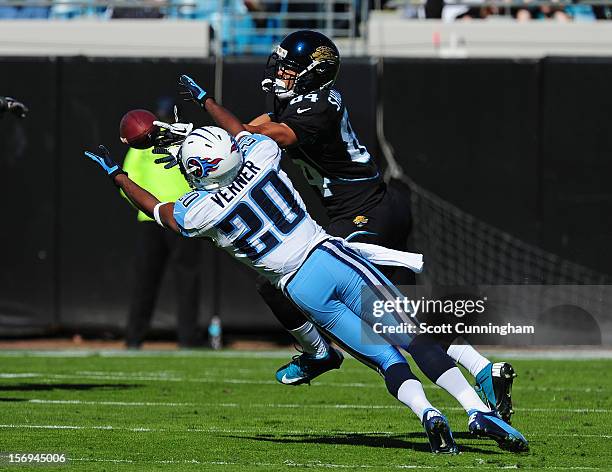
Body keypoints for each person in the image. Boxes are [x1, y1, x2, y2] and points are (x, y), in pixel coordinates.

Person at [84, 77, 528, 453]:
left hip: (298, 289)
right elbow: (241, 133)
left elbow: (158, 207)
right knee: (412, 334)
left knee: (383, 357)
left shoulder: (198, 210)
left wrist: (117, 176)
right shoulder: (260, 157)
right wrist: (207, 102)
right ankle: (475, 410)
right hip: (326, 257)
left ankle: (427, 413)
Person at [201, 30, 515, 424]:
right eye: (281, 65)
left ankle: (320, 353)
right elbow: (250, 131)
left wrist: (209, 126)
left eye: (290, 68)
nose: (281, 73)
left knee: (293, 286)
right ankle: (483, 368)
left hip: (365, 213)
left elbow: (261, 137)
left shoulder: (317, 106)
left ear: (315, 72)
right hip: (370, 208)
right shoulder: (299, 100)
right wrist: (203, 140)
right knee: (399, 313)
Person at [121, 102, 203, 349]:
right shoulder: (140, 144)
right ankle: (134, 337)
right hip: (154, 219)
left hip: (181, 218)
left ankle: (187, 338)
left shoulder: (184, 141)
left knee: (186, 280)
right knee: (147, 279)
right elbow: (128, 182)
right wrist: (146, 207)